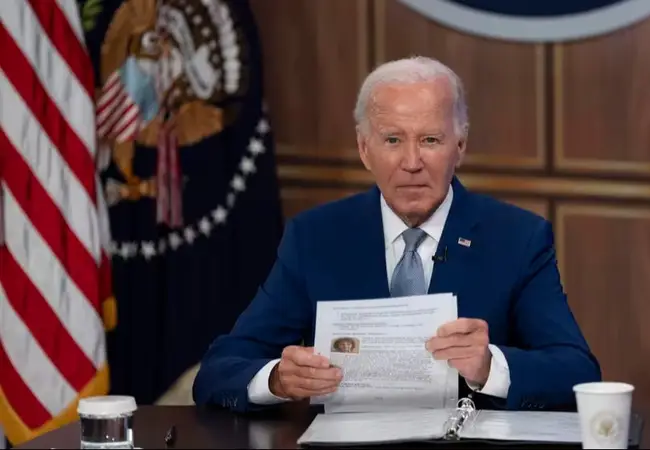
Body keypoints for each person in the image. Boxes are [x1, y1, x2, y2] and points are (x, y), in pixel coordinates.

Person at [192, 56, 601, 413]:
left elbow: (578, 372)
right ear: (364, 148)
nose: (411, 162)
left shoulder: (517, 238)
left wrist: (489, 367)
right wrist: (278, 379)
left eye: (430, 140)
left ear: (460, 145)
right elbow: (220, 369)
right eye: (392, 140)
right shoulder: (314, 238)